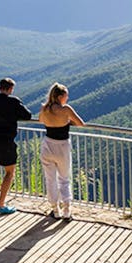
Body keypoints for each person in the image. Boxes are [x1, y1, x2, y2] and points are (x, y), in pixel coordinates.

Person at [0, 77, 32, 215]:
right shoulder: (13, 101)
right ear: (10, 89)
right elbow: (27, 115)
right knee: (9, 172)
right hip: (7, 141)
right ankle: (1, 204)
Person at [39, 82, 85, 221]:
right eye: (66, 96)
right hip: (62, 146)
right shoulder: (66, 110)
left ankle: (55, 210)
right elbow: (80, 123)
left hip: (47, 145)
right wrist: (67, 122)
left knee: (50, 179)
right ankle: (66, 211)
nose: (67, 98)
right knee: (64, 179)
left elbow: (41, 121)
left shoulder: (45, 109)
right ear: (60, 97)